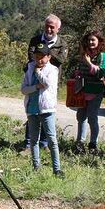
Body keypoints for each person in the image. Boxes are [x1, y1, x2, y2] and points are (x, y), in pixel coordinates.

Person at [25, 14, 68, 148]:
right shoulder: (35, 40)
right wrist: (44, 56)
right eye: (47, 26)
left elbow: (60, 60)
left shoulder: (62, 44)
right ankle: (29, 142)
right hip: (34, 79)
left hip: (51, 82)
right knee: (33, 110)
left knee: (47, 111)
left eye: (52, 27)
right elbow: (32, 56)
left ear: (58, 29)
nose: (49, 30)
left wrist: (44, 53)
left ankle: (44, 143)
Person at [21, 43, 63, 177]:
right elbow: (24, 89)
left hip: (46, 109)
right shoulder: (29, 69)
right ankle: (36, 166)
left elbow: (47, 83)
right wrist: (35, 87)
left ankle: (57, 169)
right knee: (34, 140)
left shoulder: (52, 70)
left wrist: (38, 73)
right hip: (32, 109)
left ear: (49, 57)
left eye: (42, 56)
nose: (39, 59)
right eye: (36, 56)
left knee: (52, 139)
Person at [72, 30, 105, 154]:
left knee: (92, 118)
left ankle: (93, 144)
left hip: (96, 92)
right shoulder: (84, 55)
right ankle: (80, 143)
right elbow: (79, 70)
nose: (90, 42)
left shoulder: (103, 57)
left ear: (99, 41)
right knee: (81, 117)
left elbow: (101, 72)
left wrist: (89, 63)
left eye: (93, 40)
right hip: (83, 91)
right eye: (89, 40)